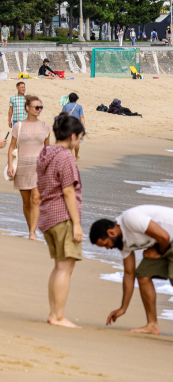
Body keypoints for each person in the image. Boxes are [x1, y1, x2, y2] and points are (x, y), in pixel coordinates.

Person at [89, 205, 173, 340]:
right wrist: (123, 308)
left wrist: (158, 251)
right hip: (164, 241)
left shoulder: (130, 219)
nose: (108, 248)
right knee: (143, 275)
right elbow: (129, 273)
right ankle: (152, 325)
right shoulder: (123, 243)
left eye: (106, 244)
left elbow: (163, 236)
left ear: (111, 233)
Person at [37, 111, 84, 328]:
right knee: (65, 268)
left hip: (47, 215)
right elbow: (68, 191)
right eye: (79, 138)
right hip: (62, 216)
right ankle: (58, 316)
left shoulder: (45, 152)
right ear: (73, 136)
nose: (79, 142)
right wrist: (77, 224)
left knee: (58, 267)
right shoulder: (65, 156)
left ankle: (54, 314)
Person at [7, 95, 51, 240]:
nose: (39, 110)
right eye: (36, 107)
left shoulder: (45, 126)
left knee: (36, 199)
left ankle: (32, 233)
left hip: (39, 167)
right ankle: (31, 228)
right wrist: (10, 165)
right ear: (27, 108)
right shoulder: (18, 126)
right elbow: (12, 147)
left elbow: (47, 148)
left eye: (41, 107)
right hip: (22, 167)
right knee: (27, 203)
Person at [62, 93, 86, 160]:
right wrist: (84, 125)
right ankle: (76, 156)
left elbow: (62, 116)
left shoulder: (66, 106)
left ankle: (71, 155)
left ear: (69, 99)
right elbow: (82, 117)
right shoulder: (79, 106)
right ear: (77, 99)